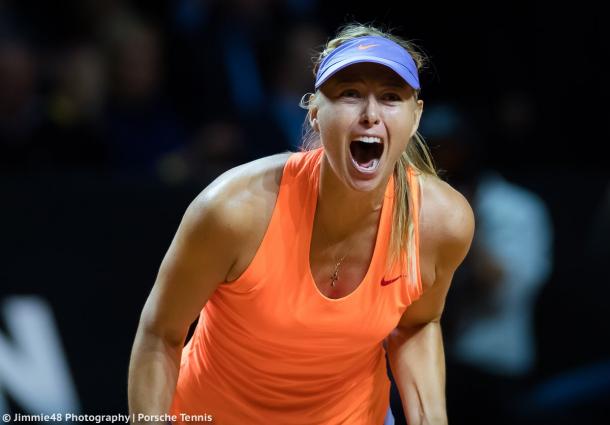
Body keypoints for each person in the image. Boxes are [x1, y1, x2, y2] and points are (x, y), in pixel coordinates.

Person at [128, 24, 474, 425]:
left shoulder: (441, 222)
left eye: (391, 98)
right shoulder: (234, 210)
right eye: (349, 94)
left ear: (416, 118)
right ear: (313, 112)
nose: (370, 115)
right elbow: (161, 333)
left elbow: (417, 325)